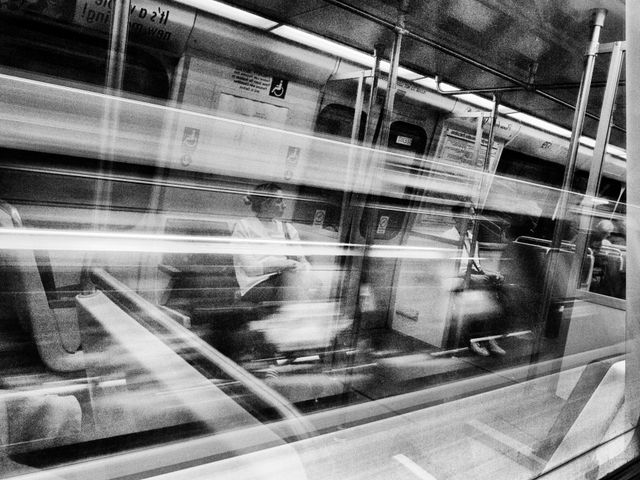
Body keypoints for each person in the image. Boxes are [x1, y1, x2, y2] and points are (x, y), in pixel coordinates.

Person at [232, 182, 314, 304]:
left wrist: (304, 270)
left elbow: (303, 261)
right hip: (257, 285)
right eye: (279, 201)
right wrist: (287, 264)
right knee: (290, 282)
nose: (284, 205)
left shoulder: (288, 229)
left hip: (288, 281)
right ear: (265, 204)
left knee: (295, 282)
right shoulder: (244, 226)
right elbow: (251, 269)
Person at [443, 202, 506, 357]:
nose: (472, 218)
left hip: (471, 278)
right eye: (468, 214)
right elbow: (451, 269)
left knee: (497, 289)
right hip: (456, 279)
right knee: (486, 292)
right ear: (456, 217)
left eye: (473, 214)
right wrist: (479, 278)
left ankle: (488, 338)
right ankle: (474, 340)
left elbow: (477, 266)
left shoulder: (473, 240)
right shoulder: (447, 238)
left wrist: (491, 273)